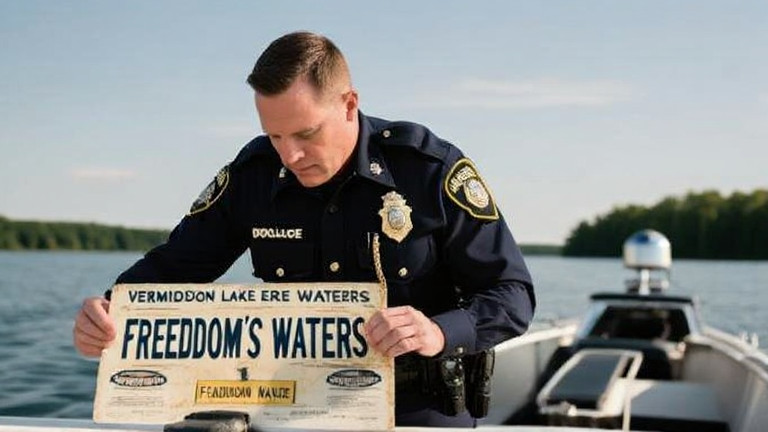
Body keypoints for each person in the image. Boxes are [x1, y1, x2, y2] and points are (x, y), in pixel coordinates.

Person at [73, 31, 535, 427]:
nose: (290, 156)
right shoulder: (251, 176)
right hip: (291, 409)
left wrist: (438, 331)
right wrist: (113, 310)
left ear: (349, 104)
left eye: (306, 134)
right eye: (275, 136)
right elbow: (173, 266)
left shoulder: (429, 169)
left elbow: (512, 293)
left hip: (417, 412)